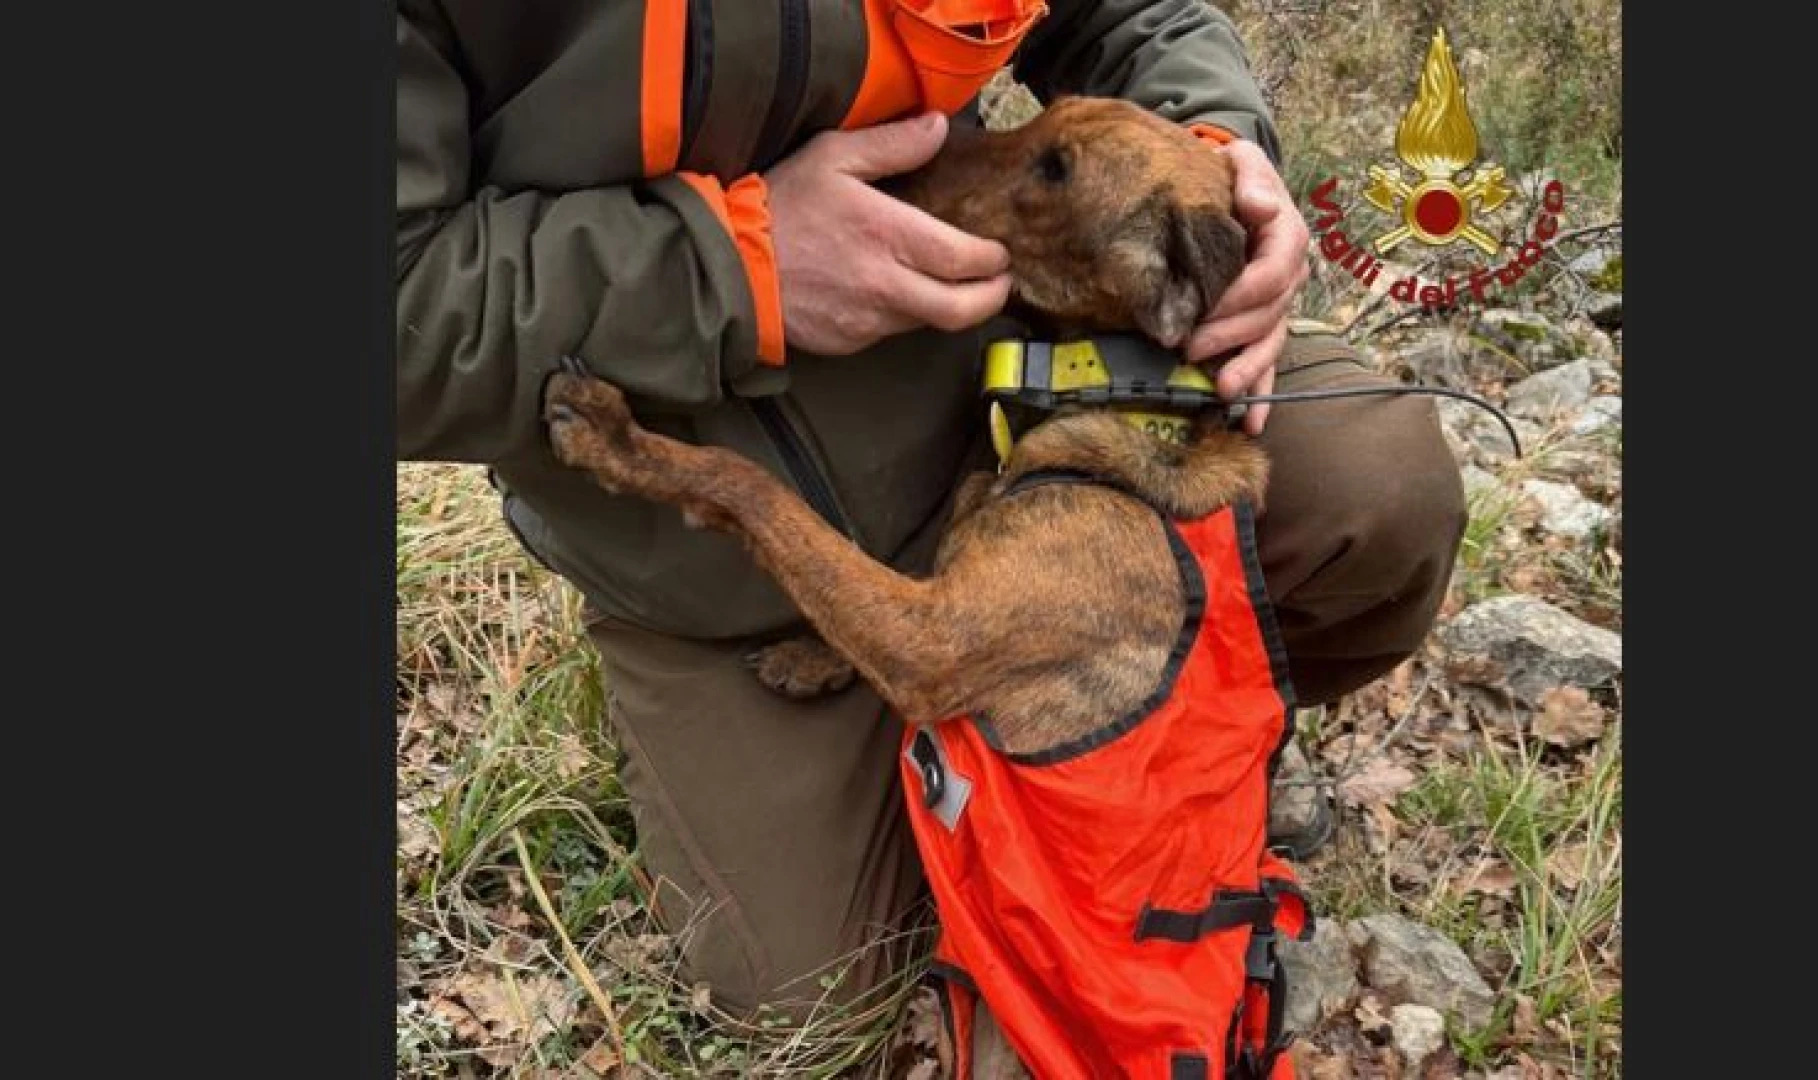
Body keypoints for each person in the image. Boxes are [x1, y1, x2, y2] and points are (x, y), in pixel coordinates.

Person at [397, 0, 1465, 1021]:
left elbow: (1133, 15)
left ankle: (1165, 740)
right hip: (709, 570)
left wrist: (1211, 151)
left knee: (1375, 488)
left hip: (1016, 402)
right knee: (807, 992)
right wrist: (729, 271)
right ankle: (886, 695)